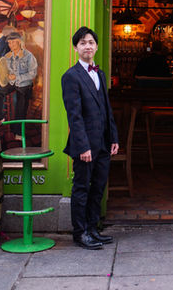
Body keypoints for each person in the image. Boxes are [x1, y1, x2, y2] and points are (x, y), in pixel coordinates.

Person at [61, 27, 119, 250]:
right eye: (83, 43)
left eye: (91, 42)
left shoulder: (100, 73)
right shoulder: (71, 76)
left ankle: (94, 228)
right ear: (76, 47)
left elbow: (106, 108)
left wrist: (113, 136)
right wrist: (83, 146)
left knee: (98, 188)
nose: (87, 46)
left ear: (96, 47)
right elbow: (74, 116)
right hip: (84, 145)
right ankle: (80, 232)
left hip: (103, 143)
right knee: (82, 188)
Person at [0, 31, 37, 130]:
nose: (10, 45)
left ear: (19, 42)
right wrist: (6, 76)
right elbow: (4, 69)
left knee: (20, 108)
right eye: (9, 43)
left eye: (13, 42)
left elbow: (32, 74)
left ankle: (18, 131)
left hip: (25, 85)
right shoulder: (7, 56)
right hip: (12, 83)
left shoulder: (28, 56)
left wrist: (17, 77)